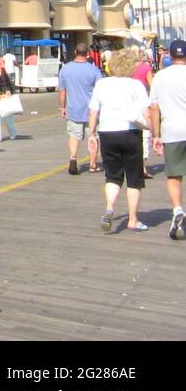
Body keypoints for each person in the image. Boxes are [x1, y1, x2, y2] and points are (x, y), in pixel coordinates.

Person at [88, 48, 151, 233]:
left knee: (113, 176)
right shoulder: (136, 85)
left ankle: (109, 208)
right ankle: (133, 219)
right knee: (134, 178)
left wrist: (92, 133)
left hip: (107, 132)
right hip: (130, 132)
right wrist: (154, 131)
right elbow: (146, 112)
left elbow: (93, 111)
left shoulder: (102, 84)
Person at [150, 39, 186, 240]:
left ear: (170, 56)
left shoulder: (160, 77)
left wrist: (156, 135)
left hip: (171, 131)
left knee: (174, 176)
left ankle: (178, 209)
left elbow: (154, 107)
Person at [58, 44, 104, 175]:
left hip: (73, 109)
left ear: (74, 52)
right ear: (88, 53)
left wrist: (63, 107)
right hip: (92, 110)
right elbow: (100, 89)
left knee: (74, 135)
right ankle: (93, 164)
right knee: (93, 136)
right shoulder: (94, 70)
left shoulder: (65, 70)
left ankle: (73, 157)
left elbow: (62, 91)